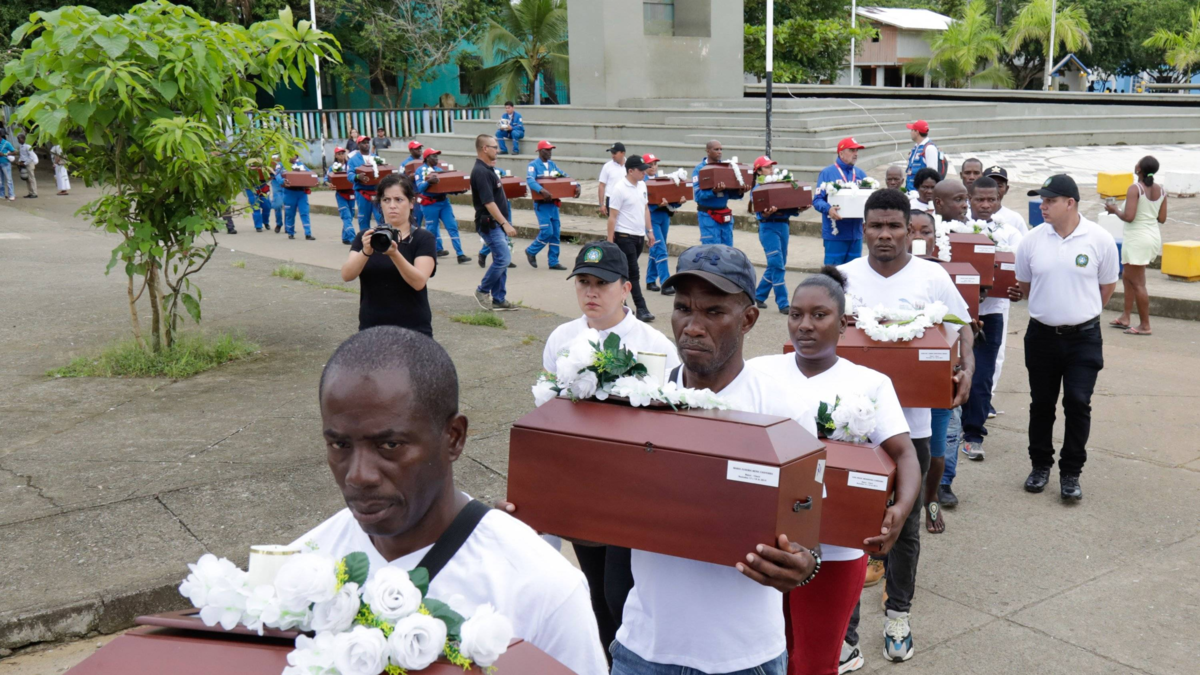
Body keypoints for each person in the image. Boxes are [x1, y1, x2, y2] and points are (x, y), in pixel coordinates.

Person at [504, 243, 823, 675]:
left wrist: (803, 568)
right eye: (682, 309)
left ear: (748, 319)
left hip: (745, 657)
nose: (692, 327)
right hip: (643, 650)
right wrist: (546, 515)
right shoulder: (634, 399)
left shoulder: (785, 413)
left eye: (714, 312)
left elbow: (808, 536)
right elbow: (608, 528)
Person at [294, 327, 608, 675]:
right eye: (340, 445)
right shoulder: (298, 571)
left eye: (390, 445)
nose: (358, 476)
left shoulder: (542, 588)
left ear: (454, 438)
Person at [749, 268, 921, 675]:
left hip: (837, 550)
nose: (804, 325)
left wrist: (900, 509)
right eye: (796, 314)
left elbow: (906, 455)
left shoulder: (870, 384)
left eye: (819, 315)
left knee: (814, 663)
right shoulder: (758, 372)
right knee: (763, 657)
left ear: (843, 323)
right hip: (765, 541)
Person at [837, 189, 973, 663]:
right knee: (849, 526)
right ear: (864, 230)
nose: (885, 235)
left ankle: (898, 615)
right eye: (876, 226)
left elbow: (963, 327)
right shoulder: (842, 278)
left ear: (909, 230)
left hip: (910, 426)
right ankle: (845, 633)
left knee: (906, 526)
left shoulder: (932, 277)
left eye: (895, 226)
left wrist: (966, 369)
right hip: (851, 428)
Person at [542, 241, 682, 658]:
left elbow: (666, 421)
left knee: (620, 590)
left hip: (630, 485)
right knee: (593, 585)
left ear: (625, 288)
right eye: (583, 282)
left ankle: (632, 659)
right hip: (580, 480)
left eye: (601, 284)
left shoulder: (654, 345)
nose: (591, 292)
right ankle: (605, 660)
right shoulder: (562, 338)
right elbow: (551, 407)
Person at [1012, 174, 1119, 501]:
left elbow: (1106, 287)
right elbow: (1026, 285)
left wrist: (1079, 313)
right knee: (1042, 404)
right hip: (1041, 337)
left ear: (1070, 203)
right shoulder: (1031, 240)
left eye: (1050, 201)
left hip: (1083, 338)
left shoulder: (1099, 239)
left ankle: (1071, 472)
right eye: (1042, 200)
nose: (1043, 206)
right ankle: (1040, 465)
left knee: (1077, 401)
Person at [945, 177, 1024, 507]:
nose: (986, 205)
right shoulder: (950, 229)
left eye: (992, 199)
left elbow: (1019, 271)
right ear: (969, 198)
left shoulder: (1011, 232)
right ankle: (950, 428)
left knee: (983, 374)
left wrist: (1015, 289)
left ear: (1000, 197)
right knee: (953, 370)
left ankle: (974, 434)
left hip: (991, 313)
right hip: (956, 313)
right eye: (979, 199)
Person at [340, 173, 437, 335]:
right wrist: (365, 252)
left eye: (399, 200)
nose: (392, 206)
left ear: (411, 203)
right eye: (386, 200)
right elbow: (347, 275)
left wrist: (394, 254)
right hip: (371, 329)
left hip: (413, 330)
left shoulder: (423, 238)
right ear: (380, 203)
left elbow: (418, 282)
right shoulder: (366, 237)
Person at [1105, 155, 1165, 336]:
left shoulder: (1135, 188)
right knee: (1129, 277)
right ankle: (1125, 316)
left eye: (1137, 162)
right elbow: (1162, 218)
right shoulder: (1161, 190)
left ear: (1139, 169)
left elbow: (1129, 217)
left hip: (1137, 239)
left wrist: (1114, 210)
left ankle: (1145, 326)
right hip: (1152, 236)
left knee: (1138, 283)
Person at [471, 134, 520, 312]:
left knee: (501, 259)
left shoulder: (487, 169)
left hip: (495, 224)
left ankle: (499, 299)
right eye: (494, 147)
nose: (497, 150)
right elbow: (488, 202)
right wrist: (505, 223)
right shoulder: (481, 172)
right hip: (490, 224)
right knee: (503, 259)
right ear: (485, 149)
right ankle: (482, 290)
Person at [606, 154, 656, 322]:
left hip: (639, 235)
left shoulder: (642, 185)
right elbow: (612, 216)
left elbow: (645, 209)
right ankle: (641, 308)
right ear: (630, 171)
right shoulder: (619, 188)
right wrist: (610, 241)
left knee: (625, 273)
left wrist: (650, 231)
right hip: (624, 235)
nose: (644, 172)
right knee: (633, 273)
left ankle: (621, 304)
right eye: (641, 170)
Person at [749, 156, 800, 314]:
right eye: (767, 167)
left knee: (777, 264)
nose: (771, 170)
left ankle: (759, 296)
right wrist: (766, 214)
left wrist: (799, 207)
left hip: (783, 226)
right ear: (758, 171)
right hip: (768, 228)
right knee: (777, 264)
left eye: (771, 167)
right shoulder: (757, 189)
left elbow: (789, 206)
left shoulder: (780, 184)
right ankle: (783, 303)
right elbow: (760, 213)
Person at [812, 137, 867, 265]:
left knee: (854, 274)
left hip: (856, 235)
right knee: (834, 274)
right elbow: (817, 200)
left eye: (857, 150)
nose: (856, 154)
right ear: (841, 153)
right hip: (835, 235)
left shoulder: (861, 174)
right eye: (852, 150)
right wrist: (828, 209)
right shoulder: (827, 173)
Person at [525, 140, 577, 271]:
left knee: (555, 233)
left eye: (551, 150)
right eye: (547, 150)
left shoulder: (552, 165)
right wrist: (541, 190)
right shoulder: (533, 165)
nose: (550, 152)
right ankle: (531, 251)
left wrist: (576, 185)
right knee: (547, 231)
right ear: (540, 151)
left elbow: (565, 176)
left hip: (553, 204)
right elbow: (530, 180)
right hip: (542, 205)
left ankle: (553, 261)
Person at [416, 148, 470, 264]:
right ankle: (431, 256)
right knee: (431, 231)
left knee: (452, 227)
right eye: (434, 156)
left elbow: (446, 188)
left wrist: (458, 191)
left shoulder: (440, 170)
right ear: (427, 158)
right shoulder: (420, 171)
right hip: (430, 204)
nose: (437, 159)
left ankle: (460, 254)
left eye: (437, 156)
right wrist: (428, 181)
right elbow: (419, 188)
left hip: (444, 203)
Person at [643, 153, 685, 295]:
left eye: (655, 164)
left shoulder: (662, 179)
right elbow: (642, 205)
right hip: (651, 218)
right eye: (650, 165)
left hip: (664, 216)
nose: (653, 167)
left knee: (656, 249)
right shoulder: (642, 182)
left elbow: (670, 199)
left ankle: (650, 280)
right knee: (661, 249)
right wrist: (657, 205)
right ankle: (666, 283)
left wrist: (678, 202)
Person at [348, 135, 384, 232]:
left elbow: (382, 170)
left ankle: (382, 237)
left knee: (380, 216)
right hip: (362, 193)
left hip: (376, 192)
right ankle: (365, 238)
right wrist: (357, 177)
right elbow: (350, 175)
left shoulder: (376, 157)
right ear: (358, 145)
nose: (366, 144)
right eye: (363, 143)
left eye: (367, 142)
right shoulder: (353, 160)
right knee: (364, 218)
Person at [984, 165, 1028, 233]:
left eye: (999, 186)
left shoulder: (1015, 219)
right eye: (990, 185)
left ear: (1006, 189)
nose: (995, 190)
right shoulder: (971, 215)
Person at [327, 147, 357, 244]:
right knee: (346, 216)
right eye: (339, 154)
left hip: (352, 193)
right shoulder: (333, 167)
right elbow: (326, 180)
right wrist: (329, 184)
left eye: (342, 153)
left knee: (351, 215)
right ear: (335, 156)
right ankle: (352, 238)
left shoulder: (350, 165)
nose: (341, 155)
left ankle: (345, 238)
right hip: (341, 194)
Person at [282, 156, 315, 241]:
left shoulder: (301, 165)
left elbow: (310, 173)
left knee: (305, 212)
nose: (294, 157)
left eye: (296, 155)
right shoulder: (283, 165)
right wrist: (283, 181)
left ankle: (308, 233)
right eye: (292, 155)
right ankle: (290, 232)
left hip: (301, 193)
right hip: (289, 192)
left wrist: (315, 180)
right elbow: (278, 176)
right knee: (290, 214)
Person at [904, 120, 938, 191]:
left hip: (920, 193)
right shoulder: (916, 146)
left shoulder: (929, 148)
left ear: (917, 132)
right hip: (910, 190)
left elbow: (932, 174)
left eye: (912, 130)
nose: (910, 132)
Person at [597, 142, 627, 216]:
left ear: (623, 153)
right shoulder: (607, 166)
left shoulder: (630, 165)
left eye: (615, 153)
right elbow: (601, 185)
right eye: (612, 153)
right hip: (612, 199)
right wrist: (601, 204)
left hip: (626, 198)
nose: (613, 155)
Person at [400, 141, 423, 228]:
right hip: (413, 195)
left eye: (420, 148)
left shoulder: (424, 161)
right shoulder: (405, 163)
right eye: (416, 148)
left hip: (424, 195)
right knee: (415, 220)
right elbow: (400, 179)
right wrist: (409, 178)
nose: (419, 150)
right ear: (410, 150)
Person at [245, 159, 272, 233]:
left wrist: (271, 174)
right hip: (251, 187)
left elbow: (272, 173)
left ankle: (266, 222)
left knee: (267, 206)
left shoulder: (264, 162)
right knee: (256, 207)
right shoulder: (246, 163)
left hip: (263, 186)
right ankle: (258, 226)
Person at [268, 154, 286, 233]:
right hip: (277, 186)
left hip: (288, 187)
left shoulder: (289, 163)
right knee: (277, 205)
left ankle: (288, 226)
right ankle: (279, 224)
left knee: (288, 208)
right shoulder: (274, 162)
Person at [17, 133, 37, 198]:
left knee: (31, 178)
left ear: (23, 139)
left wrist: (25, 163)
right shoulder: (21, 146)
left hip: (29, 164)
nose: (18, 140)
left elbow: (31, 157)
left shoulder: (28, 146)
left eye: (19, 139)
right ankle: (30, 192)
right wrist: (19, 161)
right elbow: (22, 156)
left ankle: (34, 193)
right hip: (24, 163)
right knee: (27, 179)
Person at [0, 133, 15, 201]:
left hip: (5, 163)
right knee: (0, 181)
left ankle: (11, 195)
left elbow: (14, 152)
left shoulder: (6, 143)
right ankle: (2, 194)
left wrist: (4, 154)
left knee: (9, 180)